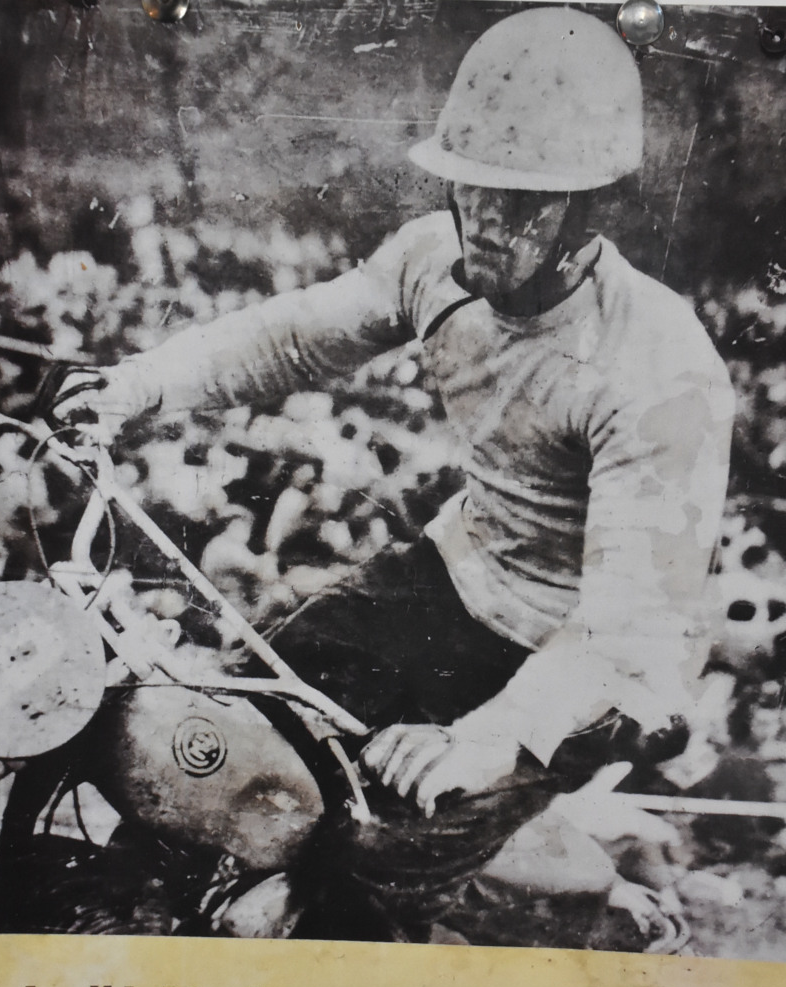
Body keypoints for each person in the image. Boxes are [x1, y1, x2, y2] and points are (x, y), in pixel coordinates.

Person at [54, 7, 734, 939]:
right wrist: (135, 387)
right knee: (226, 732)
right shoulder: (433, 259)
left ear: (592, 212)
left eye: (522, 206)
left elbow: (626, 630)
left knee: (372, 864)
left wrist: (489, 736)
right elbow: (293, 339)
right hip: (455, 575)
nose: (485, 226)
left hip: (593, 660)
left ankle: (590, 913)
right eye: (472, 191)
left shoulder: (659, 368)